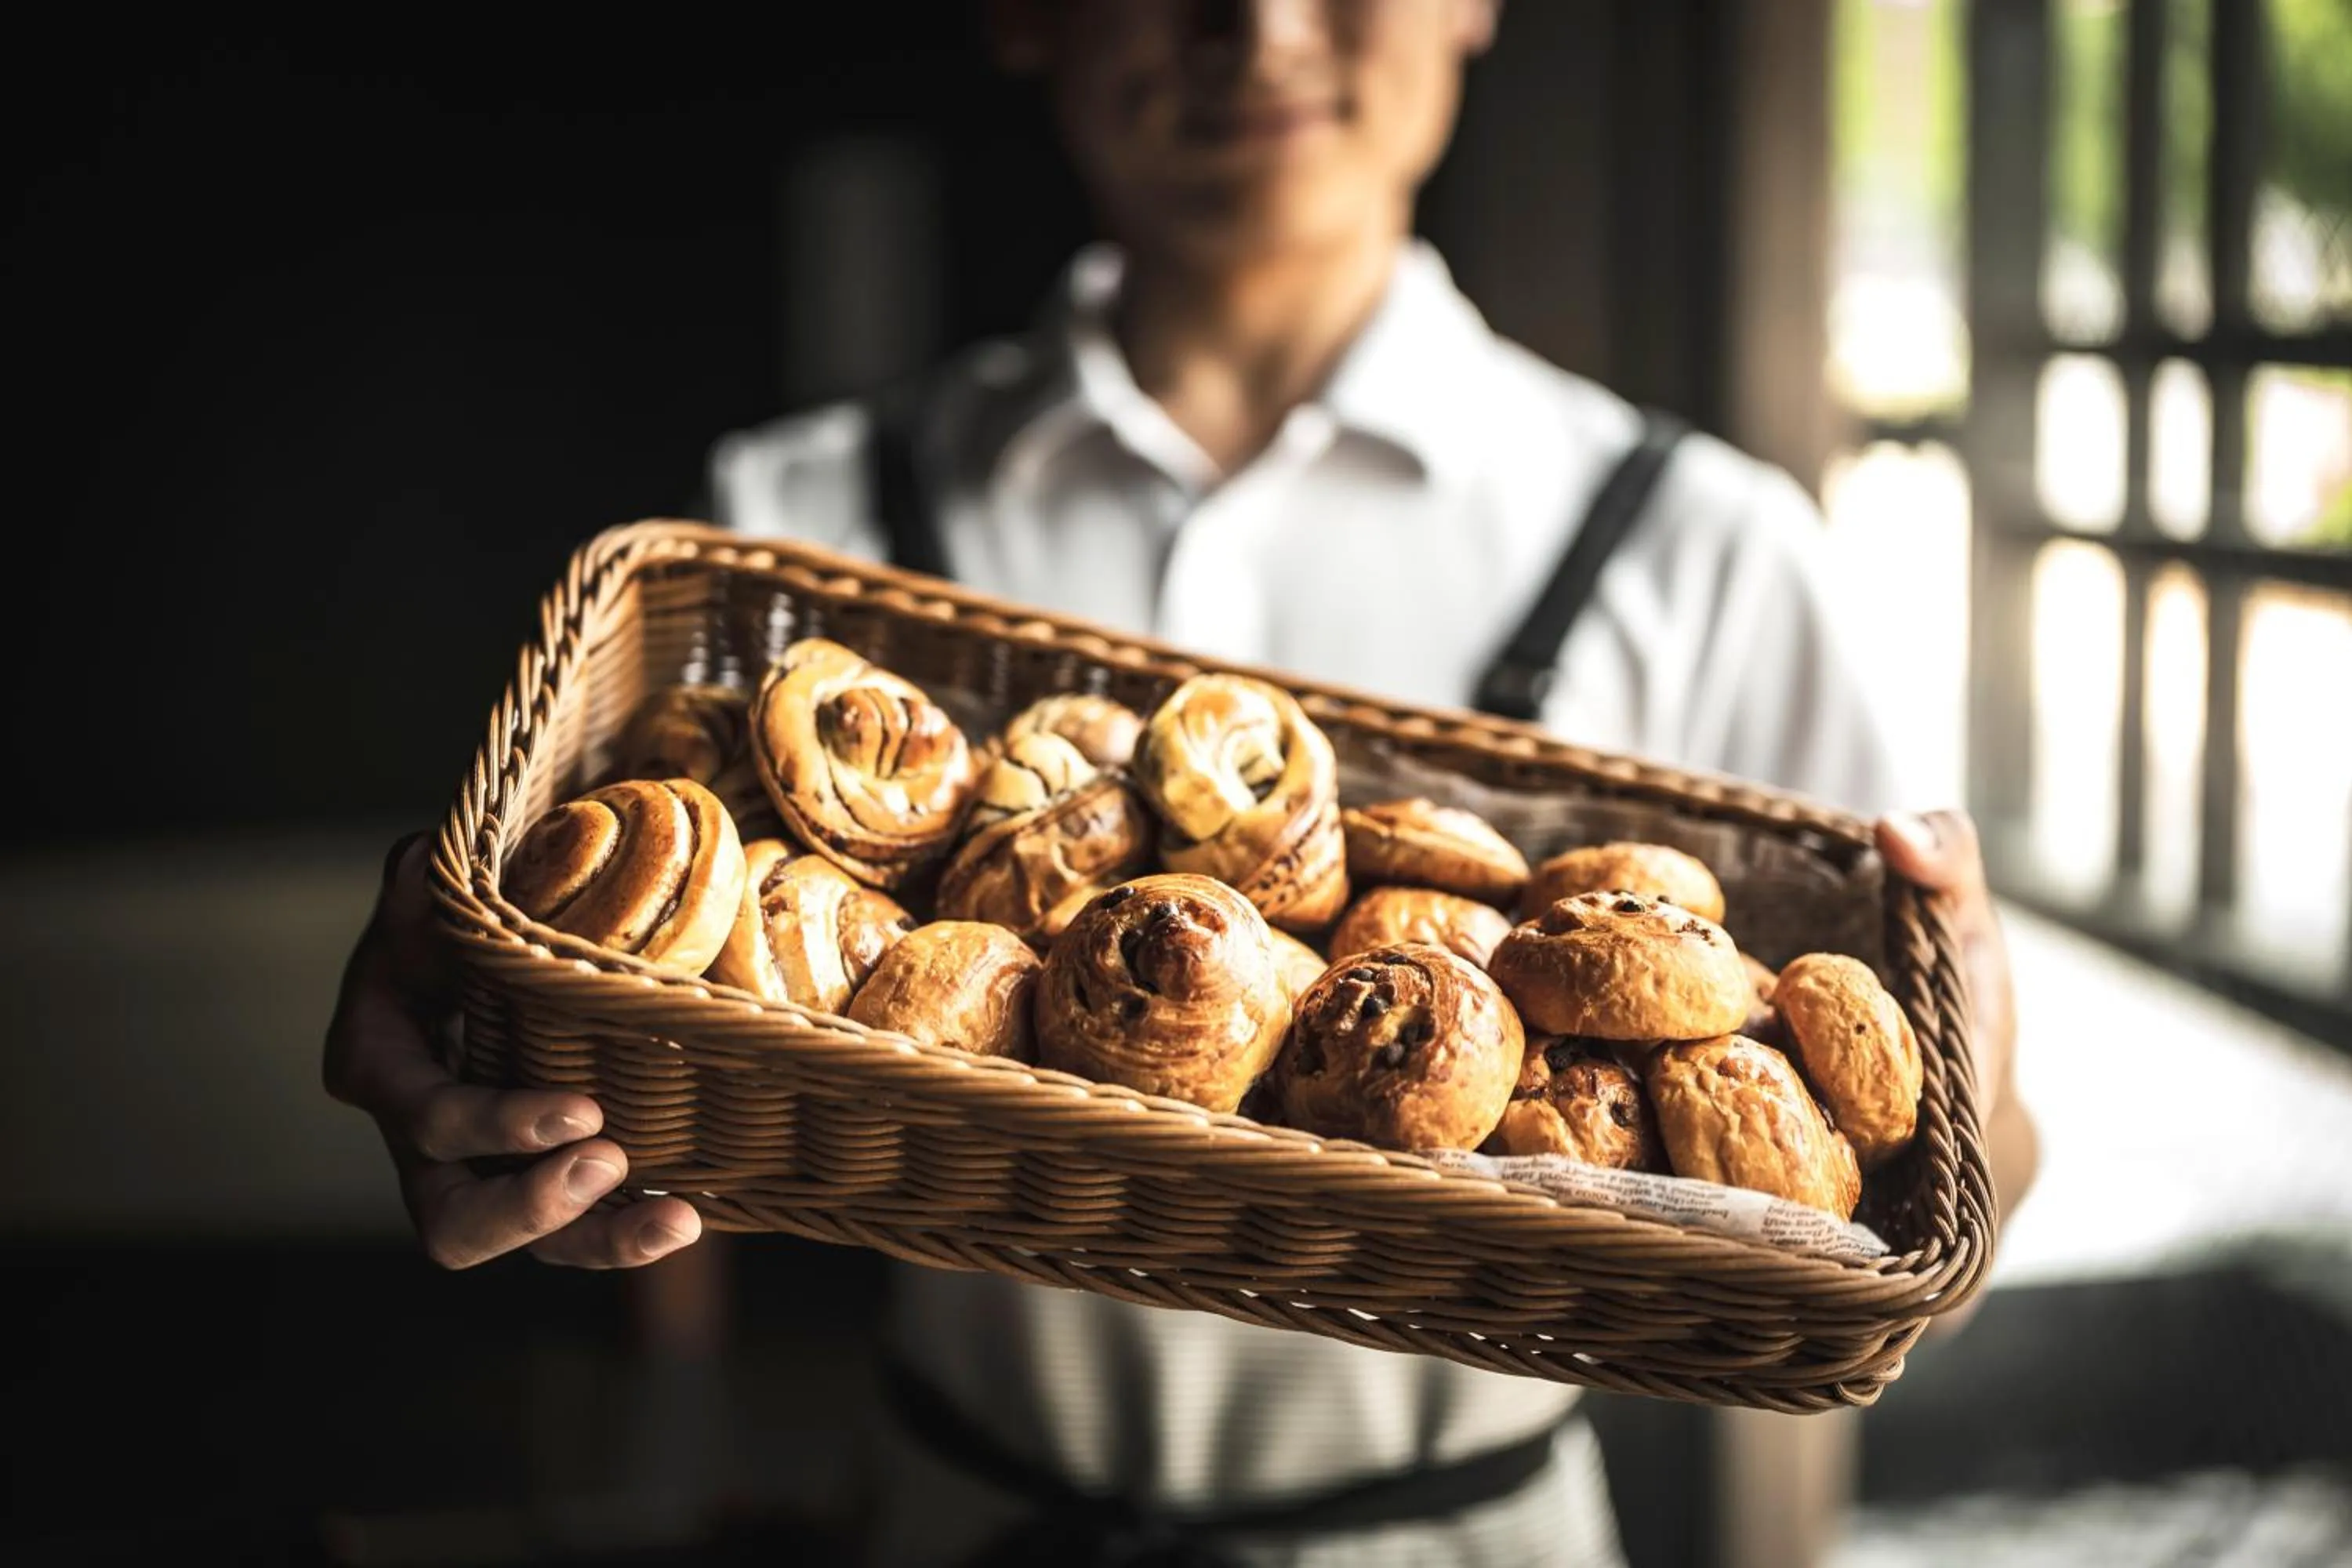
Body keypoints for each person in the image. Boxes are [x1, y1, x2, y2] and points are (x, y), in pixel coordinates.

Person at [325, 2, 2042, 1563]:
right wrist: (501, 1067)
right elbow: (655, 1064)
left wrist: (1982, 1119)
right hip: (958, 1520)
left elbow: (1908, 1230)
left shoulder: (1709, 550)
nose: (1262, 24)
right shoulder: (792, 535)